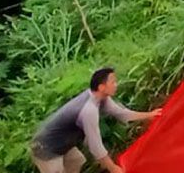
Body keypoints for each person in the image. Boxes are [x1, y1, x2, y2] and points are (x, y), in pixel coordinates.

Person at [30, 67, 160, 173]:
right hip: (45, 147)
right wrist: (114, 169)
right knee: (57, 170)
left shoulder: (101, 98)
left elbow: (121, 113)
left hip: (62, 143)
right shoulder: (88, 110)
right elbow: (96, 147)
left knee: (77, 161)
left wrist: (149, 115)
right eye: (113, 82)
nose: (116, 85)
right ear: (101, 87)